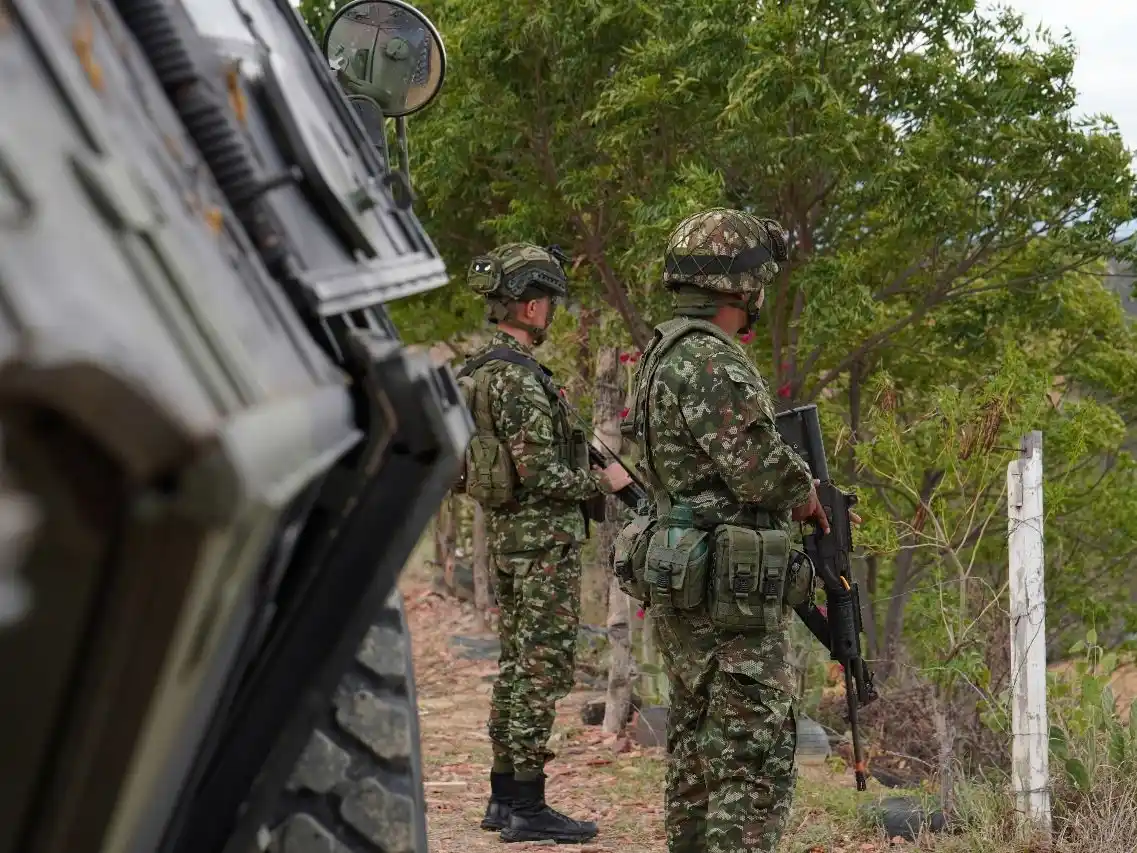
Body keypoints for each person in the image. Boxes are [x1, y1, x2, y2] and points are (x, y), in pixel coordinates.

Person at [623, 209, 840, 853]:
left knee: (697, 745)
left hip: (691, 574)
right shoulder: (711, 360)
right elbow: (756, 469)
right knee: (752, 758)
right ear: (743, 288)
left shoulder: (663, 351)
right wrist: (807, 495)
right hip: (729, 592)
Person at [458, 242, 632, 844]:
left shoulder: (480, 370)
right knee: (540, 672)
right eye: (549, 302)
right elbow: (545, 475)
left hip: (509, 541)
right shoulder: (520, 381)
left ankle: (504, 797)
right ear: (531, 308)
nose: (552, 312)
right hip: (541, 545)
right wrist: (607, 481)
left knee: (515, 668)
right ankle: (527, 807)